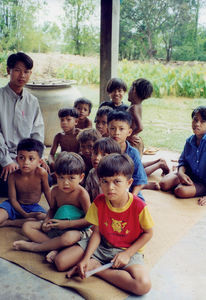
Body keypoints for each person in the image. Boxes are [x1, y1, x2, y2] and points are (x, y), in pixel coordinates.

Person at [53, 154, 154, 296]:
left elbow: (149, 233)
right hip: (102, 245)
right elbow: (97, 233)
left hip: (128, 249)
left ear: (129, 182)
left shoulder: (139, 206)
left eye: (117, 181)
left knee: (143, 285)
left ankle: (99, 269)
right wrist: (86, 259)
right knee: (60, 262)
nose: (110, 187)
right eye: (105, 181)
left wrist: (127, 253)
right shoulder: (99, 202)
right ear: (99, 181)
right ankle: (93, 264)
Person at [13, 151, 91, 263]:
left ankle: (35, 247)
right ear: (56, 176)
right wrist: (46, 221)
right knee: (27, 226)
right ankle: (55, 247)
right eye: (61, 178)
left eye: (71, 178)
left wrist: (67, 224)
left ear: (81, 177)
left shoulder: (81, 194)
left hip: (76, 230)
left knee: (67, 238)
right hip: (57, 226)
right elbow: (53, 209)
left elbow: (90, 220)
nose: (66, 183)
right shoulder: (54, 191)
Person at [0, 52, 44, 197]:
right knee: (6, 181)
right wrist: (6, 160)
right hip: (3, 157)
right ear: (8, 70)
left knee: (46, 177)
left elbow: (37, 132)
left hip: (26, 158)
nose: (22, 75)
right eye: (18, 70)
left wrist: (35, 158)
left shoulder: (32, 101)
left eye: (26, 71)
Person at [159, 106, 206, 206]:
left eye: (203, 121)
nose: (197, 124)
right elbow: (183, 161)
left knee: (180, 191)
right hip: (190, 175)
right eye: (195, 120)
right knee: (163, 184)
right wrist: (181, 173)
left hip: (204, 182)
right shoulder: (190, 141)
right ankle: (184, 182)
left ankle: (194, 188)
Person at [0, 138, 51, 227]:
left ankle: (9, 222)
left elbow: (47, 192)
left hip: (33, 207)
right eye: (21, 158)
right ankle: (15, 221)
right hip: (12, 206)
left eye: (31, 159)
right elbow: (13, 199)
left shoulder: (42, 174)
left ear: (39, 161)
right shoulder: (13, 176)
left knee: (44, 220)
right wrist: (24, 214)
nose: (25, 162)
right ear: (17, 159)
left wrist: (54, 209)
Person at [107, 110, 147, 201]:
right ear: (107, 130)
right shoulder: (103, 150)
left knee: (139, 206)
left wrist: (132, 197)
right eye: (112, 128)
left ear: (129, 132)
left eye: (121, 129)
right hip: (108, 190)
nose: (116, 132)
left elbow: (140, 180)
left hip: (129, 192)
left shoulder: (133, 153)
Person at [85, 137, 121, 202]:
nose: (97, 158)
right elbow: (87, 194)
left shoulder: (118, 175)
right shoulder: (92, 173)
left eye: (103, 155)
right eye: (95, 153)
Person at [127, 78, 153, 156]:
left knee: (131, 167)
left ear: (134, 90)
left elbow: (140, 127)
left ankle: (160, 164)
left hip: (132, 143)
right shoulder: (138, 106)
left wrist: (128, 136)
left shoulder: (133, 108)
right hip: (135, 141)